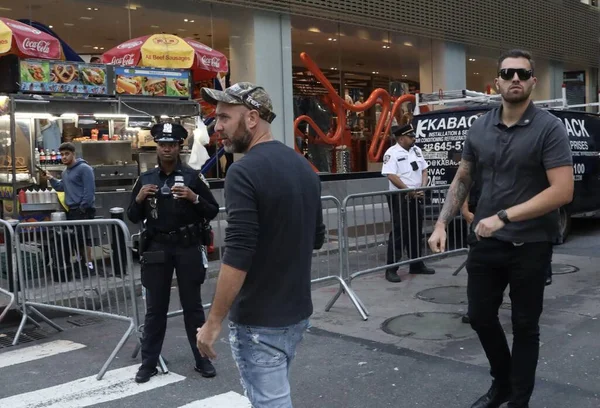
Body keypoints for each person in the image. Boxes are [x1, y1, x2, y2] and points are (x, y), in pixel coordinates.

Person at [428, 49, 573, 408]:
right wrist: (442, 222)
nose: (515, 80)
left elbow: (562, 190)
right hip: (487, 241)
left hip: (531, 244)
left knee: (525, 326)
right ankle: (504, 381)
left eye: (522, 74)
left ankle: (518, 399)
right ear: (497, 82)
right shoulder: (480, 126)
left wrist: (504, 216)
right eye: (508, 73)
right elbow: (464, 176)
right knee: (479, 316)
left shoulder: (549, 128)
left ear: (533, 82)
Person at [195, 82, 326, 407]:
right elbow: (317, 237)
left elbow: (238, 253)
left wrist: (213, 323)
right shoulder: (304, 168)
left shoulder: (243, 171)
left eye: (224, 117)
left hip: (260, 321)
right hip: (295, 315)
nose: (217, 127)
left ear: (252, 118)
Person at [127, 122, 220, 384]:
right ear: (156, 146)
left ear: (180, 147)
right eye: (162, 144)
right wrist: (138, 199)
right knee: (155, 310)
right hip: (157, 249)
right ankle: (149, 363)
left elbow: (212, 210)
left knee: (193, 308)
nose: (167, 149)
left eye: (172, 144)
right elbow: (132, 216)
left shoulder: (192, 177)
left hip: (187, 247)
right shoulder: (145, 180)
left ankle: (202, 359)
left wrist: (194, 198)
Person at [381, 123, 435, 283]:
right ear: (401, 138)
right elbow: (391, 175)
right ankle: (391, 269)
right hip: (400, 197)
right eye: (411, 137)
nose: (414, 139)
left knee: (416, 230)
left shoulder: (416, 150)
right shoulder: (392, 153)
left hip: (416, 196)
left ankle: (416, 264)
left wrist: (423, 187)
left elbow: (424, 170)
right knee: (399, 232)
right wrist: (408, 190)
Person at [46, 142, 96, 275]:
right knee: (75, 238)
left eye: (67, 154)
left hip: (82, 209)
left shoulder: (84, 168)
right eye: (62, 154)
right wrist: (51, 179)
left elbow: (89, 191)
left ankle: (89, 266)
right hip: (72, 209)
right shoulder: (65, 172)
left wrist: (83, 207)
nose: (64, 157)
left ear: (73, 154)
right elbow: (61, 187)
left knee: (84, 238)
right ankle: (81, 263)